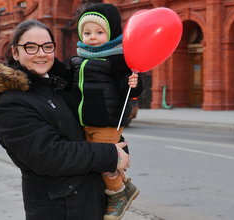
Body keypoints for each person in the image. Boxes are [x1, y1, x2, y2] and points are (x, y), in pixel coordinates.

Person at [0, 19, 131, 220]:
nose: (41, 53)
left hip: (85, 203)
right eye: (31, 47)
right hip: (59, 209)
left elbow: (87, 126)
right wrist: (110, 155)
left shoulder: (54, 88)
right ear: (15, 52)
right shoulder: (10, 104)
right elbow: (49, 155)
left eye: (47, 47)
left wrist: (114, 141)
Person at [69, 3, 142, 220]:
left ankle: (118, 194)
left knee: (103, 159)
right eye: (87, 32)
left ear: (110, 34)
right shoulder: (78, 59)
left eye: (99, 32)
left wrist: (134, 83)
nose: (92, 37)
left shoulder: (117, 59)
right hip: (85, 121)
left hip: (108, 119)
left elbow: (128, 88)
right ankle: (126, 185)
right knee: (97, 154)